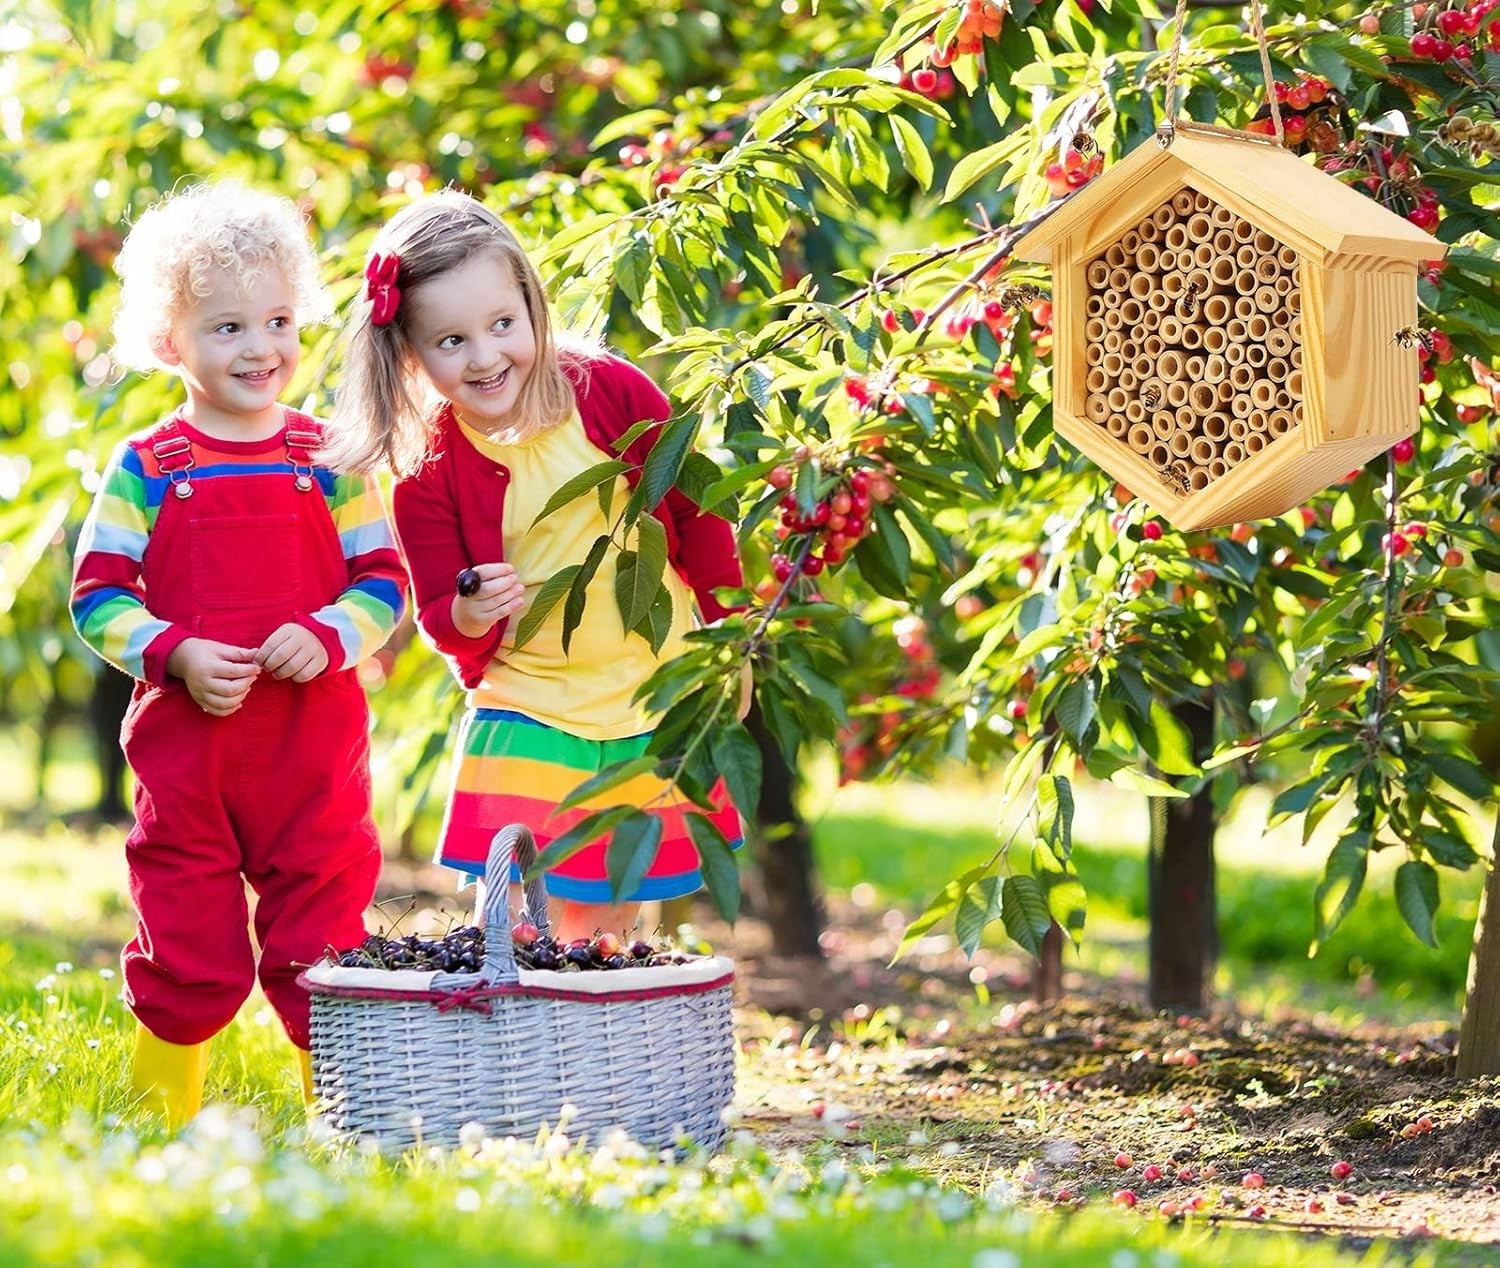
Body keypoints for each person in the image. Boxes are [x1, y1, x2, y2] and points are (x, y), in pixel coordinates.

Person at [70, 181, 406, 1128]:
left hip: (311, 751)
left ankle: (338, 1117)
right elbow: (97, 598)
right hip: (192, 754)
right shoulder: (149, 464)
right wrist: (172, 653)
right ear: (169, 343)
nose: (261, 348)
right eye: (226, 328)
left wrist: (328, 631)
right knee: (184, 930)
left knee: (326, 932)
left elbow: (382, 583)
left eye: (277, 321)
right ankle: (160, 1118)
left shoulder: (330, 459)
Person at [324, 189, 744, 943]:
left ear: (531, 303)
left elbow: (696, 514)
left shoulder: (609, 391)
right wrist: (473, 611)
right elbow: (441, 620)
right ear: (410, 354)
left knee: (606, 911)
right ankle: (524, 1041)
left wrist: (730, 635)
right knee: (520, 905)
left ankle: (594, 1045)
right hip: (531, 698)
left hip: (650, 688)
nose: (485, 357)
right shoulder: (427, 464)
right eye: (450, 341)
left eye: (502, 325)